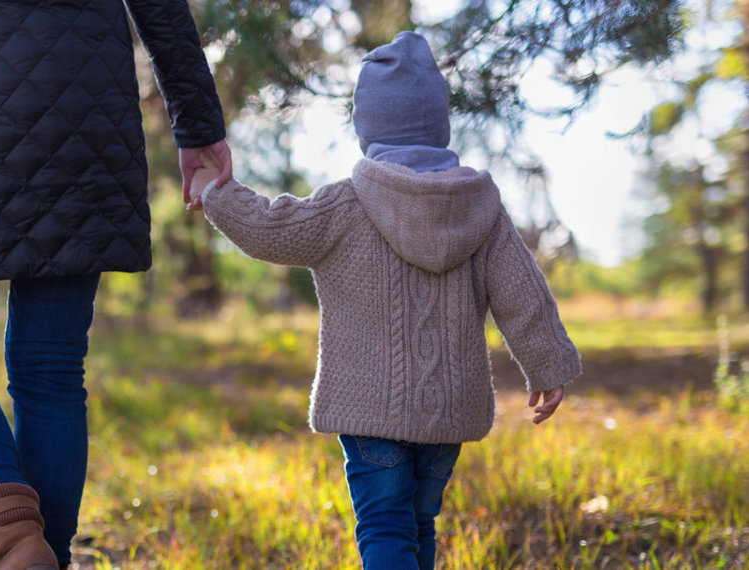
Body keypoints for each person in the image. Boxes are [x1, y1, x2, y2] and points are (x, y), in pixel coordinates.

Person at [0, 0, 232, 567]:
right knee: (51, 368)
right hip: (84, 100)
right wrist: (198, 123)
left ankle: (10, 540)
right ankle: (45, 554)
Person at [188, 31, 581, 570]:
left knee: (385, 527)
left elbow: (268, 228)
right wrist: (547, 365)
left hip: (368, 408)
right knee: (420, 524)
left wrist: (216, 193)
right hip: (449, 410)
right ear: (439, 124)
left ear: (365, 127)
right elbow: (524, 295)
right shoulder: (482, 207)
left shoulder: (345, 204)